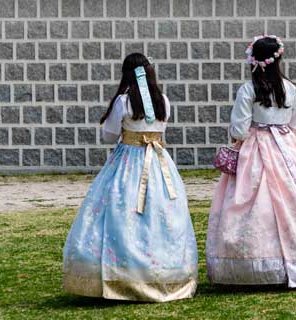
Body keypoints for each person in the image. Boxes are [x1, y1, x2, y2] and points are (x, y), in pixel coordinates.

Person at [206, 35, 296, 288]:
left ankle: (256, 264)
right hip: (287, 145)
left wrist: (244, 134)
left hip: (255, 147)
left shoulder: (248, 89)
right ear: (279, 59)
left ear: (253, 60)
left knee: (253, 202)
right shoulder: (291, 89)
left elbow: (238, 129)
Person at [62, 53, 198, 302]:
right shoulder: (163, 101)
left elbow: (109, 135)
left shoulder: (123, 102)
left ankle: (122, 273)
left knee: (122, 211)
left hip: (128, 161)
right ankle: (164, 272)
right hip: (158, 161)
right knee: (160, 214)